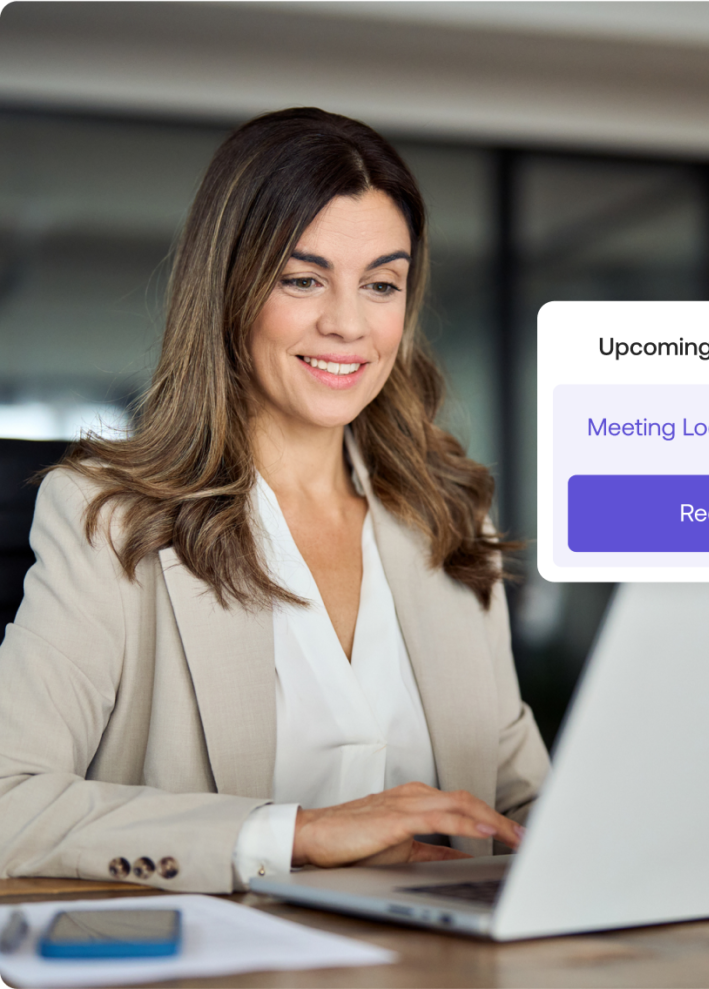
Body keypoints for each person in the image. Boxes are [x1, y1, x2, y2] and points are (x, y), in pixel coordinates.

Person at [0, 108, 550, 893]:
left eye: (381, 284)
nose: (348, 324)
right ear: (230, 286)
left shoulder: (448, 516)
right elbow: (7, 801)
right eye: (303, 278)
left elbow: (517, 796)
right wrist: (297, 835)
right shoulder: (111, 519)